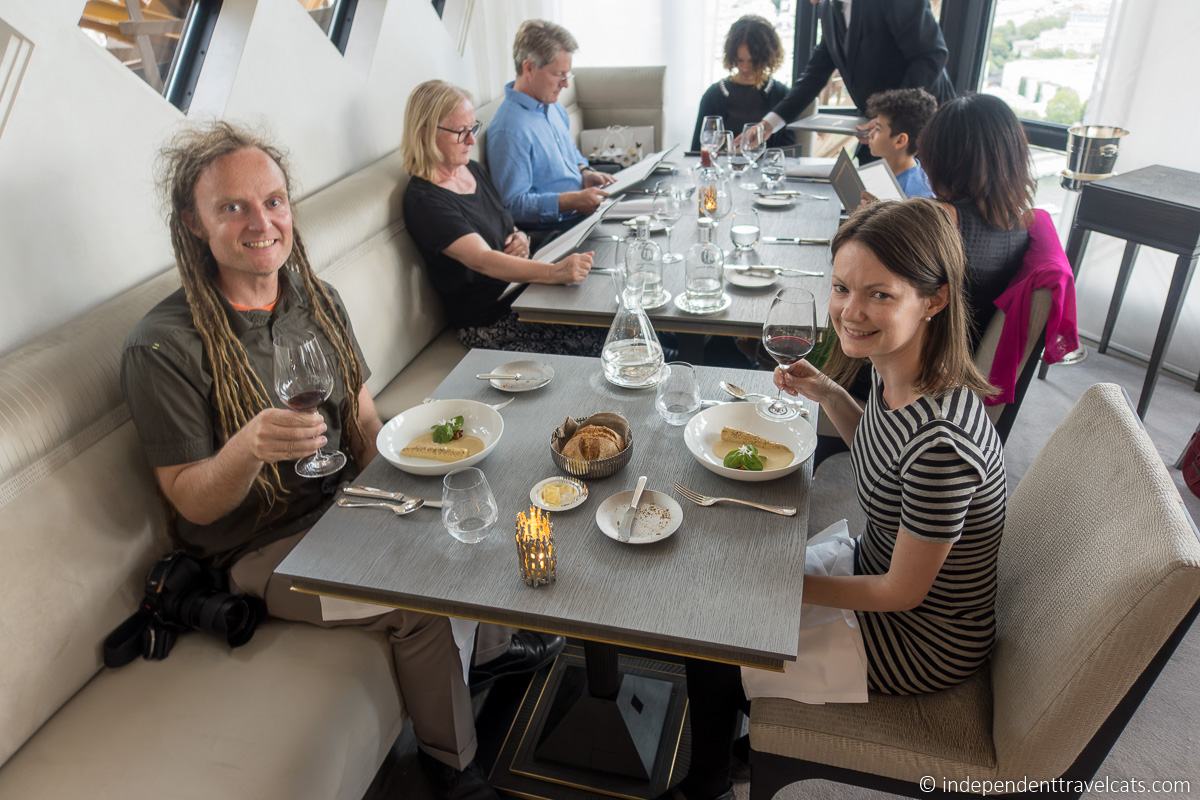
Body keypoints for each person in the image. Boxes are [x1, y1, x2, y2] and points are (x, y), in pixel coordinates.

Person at [120, 122, 551, 800]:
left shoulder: (314, 298)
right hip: (260, 548)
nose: (261, 222)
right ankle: (452, 768)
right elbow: (193, 502)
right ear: (193, 224)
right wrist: (247, 447)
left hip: (346, 501)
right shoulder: (163, 347)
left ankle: (492, 654)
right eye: (232, 207)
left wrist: (423, 464)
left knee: (477, 496)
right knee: (416, 604)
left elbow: (362, 415)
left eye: (273, 201)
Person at [660, 200, 1006, 800]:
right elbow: (874, 453)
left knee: (715, 624)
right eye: (842, 287)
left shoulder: (942, 447)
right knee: (722, 589)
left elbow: (902, 593)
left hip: (921, 637)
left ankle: (709, 777)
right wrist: (825, 391)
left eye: (880, 295)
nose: (850, 311)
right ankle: (738, 732)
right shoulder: (899, 369)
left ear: (935, 299)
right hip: (873, 569)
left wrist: (778, 585)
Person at [403, 79, 607, 356]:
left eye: (473, 128)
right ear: (426, 133)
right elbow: (483, 260)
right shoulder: (424, 200)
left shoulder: (472, 170)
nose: (472, 141)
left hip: (522, 294)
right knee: (604, 343)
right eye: (461, 132)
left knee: (610, 310)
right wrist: (555, 272)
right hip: (490, 320)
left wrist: (520, 237)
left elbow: (505, 221)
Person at [749, 0, 955, 159]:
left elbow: (931, 55)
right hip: (877, 129)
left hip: (924, 129)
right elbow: (815, 74)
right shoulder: (828, 9)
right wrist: (768, 125)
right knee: (869, 203)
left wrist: (889, 116)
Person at [919, 92, 1035, 348]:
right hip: (968, 347)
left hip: (926, 350)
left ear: (942, 160)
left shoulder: (943, 217)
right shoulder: (1020, 221)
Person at [485, 19, 615, 239]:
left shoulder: (552, 107)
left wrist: (584, 172)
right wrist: (570, 201)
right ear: (529, 68)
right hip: (554, 232)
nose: (565, 84)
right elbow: (513, 205)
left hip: (582, 213)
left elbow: (570, 153)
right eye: (559, 74)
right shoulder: (509, 130)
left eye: (568, 74)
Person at [690, 15, 795, 152]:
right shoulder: (714, 95)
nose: (745, 68)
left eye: (752, 62)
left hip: (767, 172)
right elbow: (698, 152)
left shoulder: (781, 95)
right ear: (732, 56)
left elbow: (789, 155)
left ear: (767, 58)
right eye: (740, 60)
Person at [865, 87, 936, 198]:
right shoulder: (884, 172)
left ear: (900, 141)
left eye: (878, 129)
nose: (870, 134)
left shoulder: (916, 198)